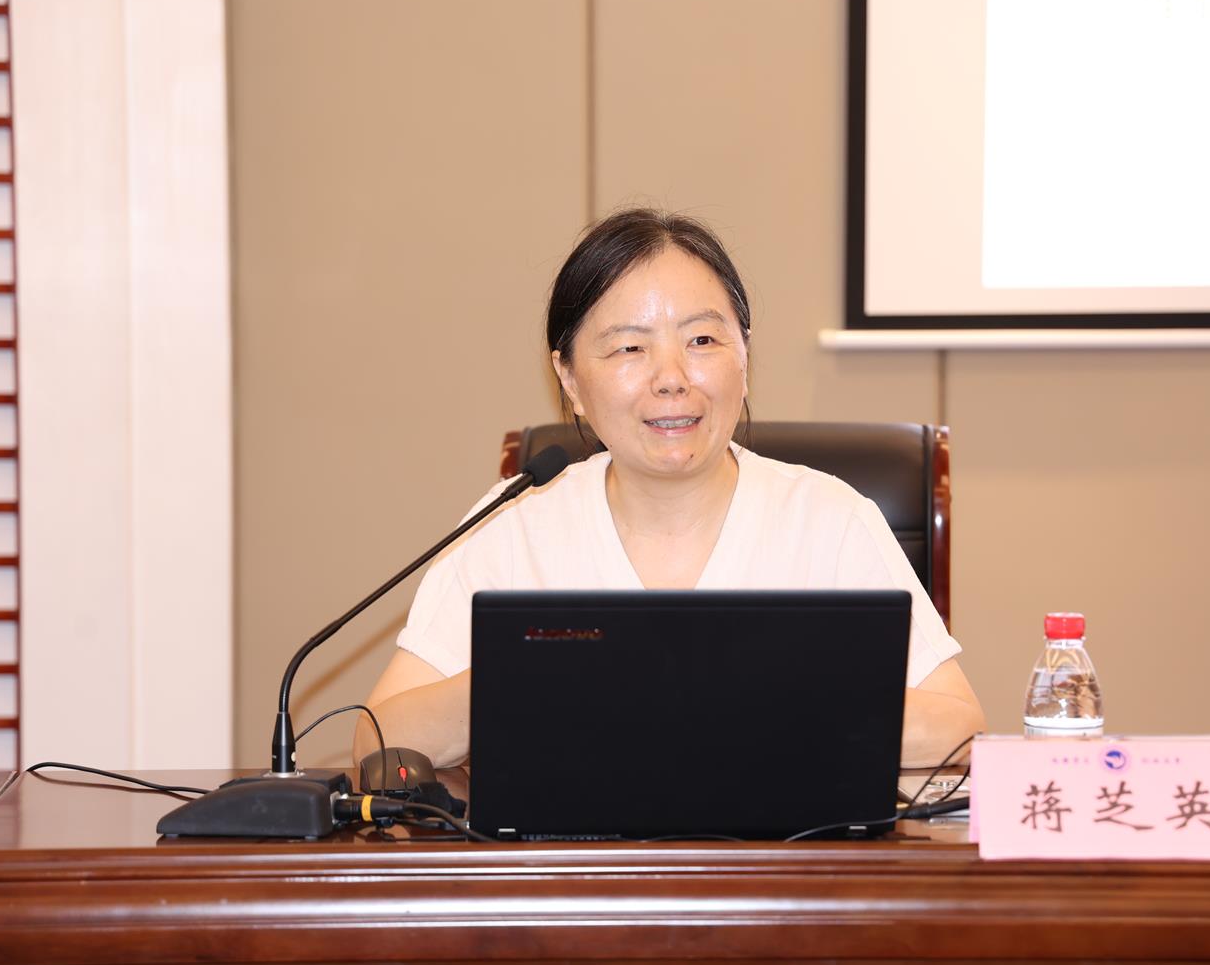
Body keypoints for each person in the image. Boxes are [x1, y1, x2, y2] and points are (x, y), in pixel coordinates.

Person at [355, 209, 984, 770]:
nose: (672, 378)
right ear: (569, 379)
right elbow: (377, 743)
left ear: (744, 356)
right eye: (630, 347)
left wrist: (767, 700)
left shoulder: (829, 519)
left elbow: (959, 729)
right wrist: (530, 680)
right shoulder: (514, 524)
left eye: (702, 340)